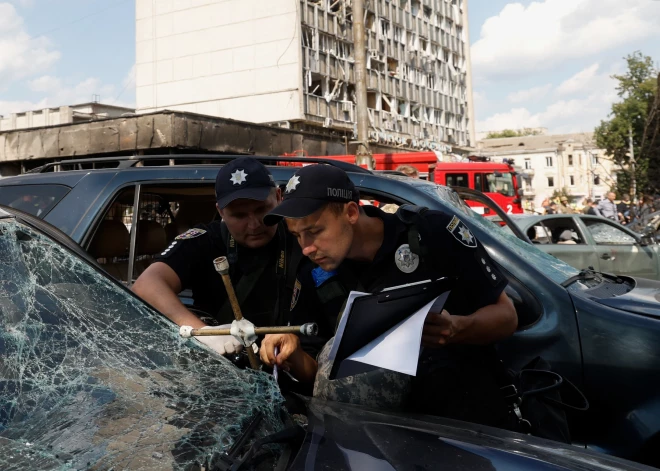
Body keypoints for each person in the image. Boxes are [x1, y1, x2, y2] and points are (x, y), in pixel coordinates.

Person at [259, 164, 518, 427]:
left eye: (314, 232)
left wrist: (458, 328)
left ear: (350, 212)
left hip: (470, 425)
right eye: (297, 236)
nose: (306, 248)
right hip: (384, 440)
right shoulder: (312, 274)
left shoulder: (430, 233)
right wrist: (292, 352)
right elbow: (320, 374)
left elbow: (507, 316)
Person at [132, 157, 303, 356]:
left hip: (292, 365)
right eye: (239, 215)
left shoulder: (300, 235)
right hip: (223, 364)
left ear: (279, 197)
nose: (254, 224)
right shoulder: (205, 240)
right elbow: (146, 286)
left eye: (261, 209)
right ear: (220, 212)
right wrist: (204, 334)